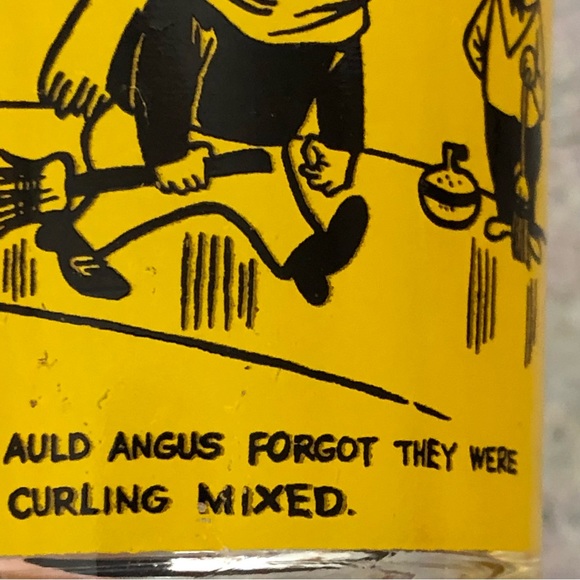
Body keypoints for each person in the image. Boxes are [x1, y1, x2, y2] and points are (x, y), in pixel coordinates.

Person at [24, 0, 371, 305]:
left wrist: (339, 145)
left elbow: (342, 66)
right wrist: (168, 154)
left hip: (253, 150)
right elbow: (162, 70)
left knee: (279, 213)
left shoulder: (334, 12)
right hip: (150, 131)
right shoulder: (197, 10)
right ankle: (74, 241)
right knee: (127, 205)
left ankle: (309, 260)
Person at [464, 0, 545, 260]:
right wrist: (491, 74)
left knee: (528, 169)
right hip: (498, 102)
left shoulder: (535, 16)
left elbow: (541, 64)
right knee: (501, 163)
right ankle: (505, 217)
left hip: (526, 111)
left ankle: (526, 224)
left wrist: (535, 85)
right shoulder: (496, 6)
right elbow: (474, 40)